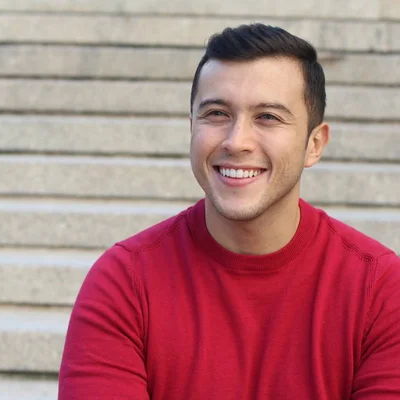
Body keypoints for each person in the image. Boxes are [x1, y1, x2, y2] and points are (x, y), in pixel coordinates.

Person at [58, 23, 400, 399]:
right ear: (192, 128)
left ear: (314, 144)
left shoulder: (380, 290)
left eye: (268, 117)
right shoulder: (123, 282)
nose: (237, 141)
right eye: (217, 113)